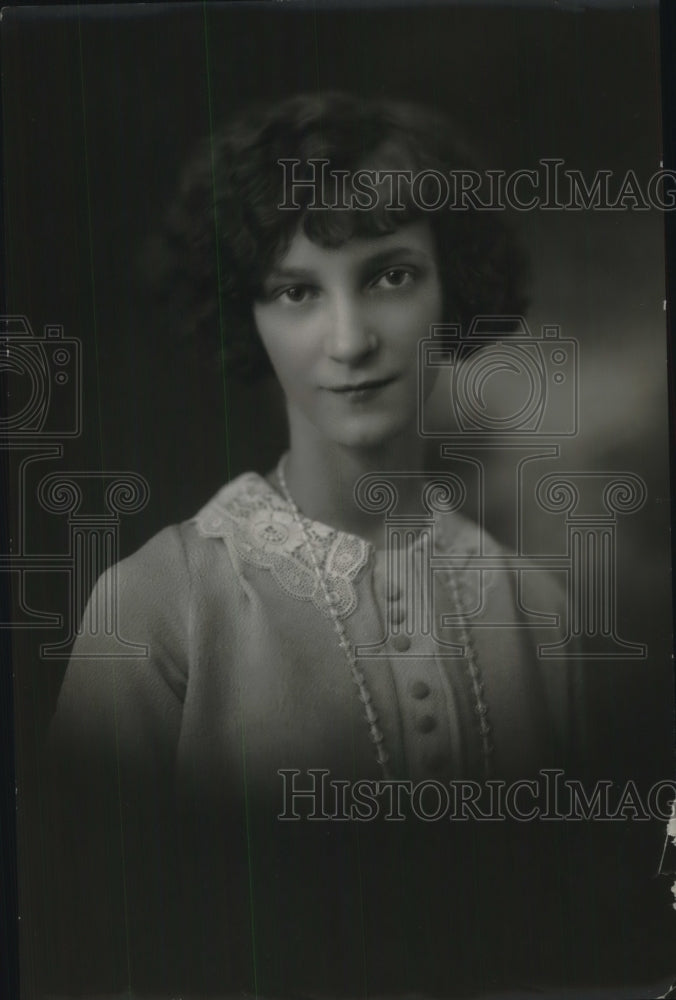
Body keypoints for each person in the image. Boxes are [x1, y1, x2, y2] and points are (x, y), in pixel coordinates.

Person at [44, 93, 672, 999]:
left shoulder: (539, 611)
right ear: (246, 313)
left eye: (388, 275)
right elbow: (90, 942)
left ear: (451, 283)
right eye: (297, 291)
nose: (349, 341)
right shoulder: (154, 607)